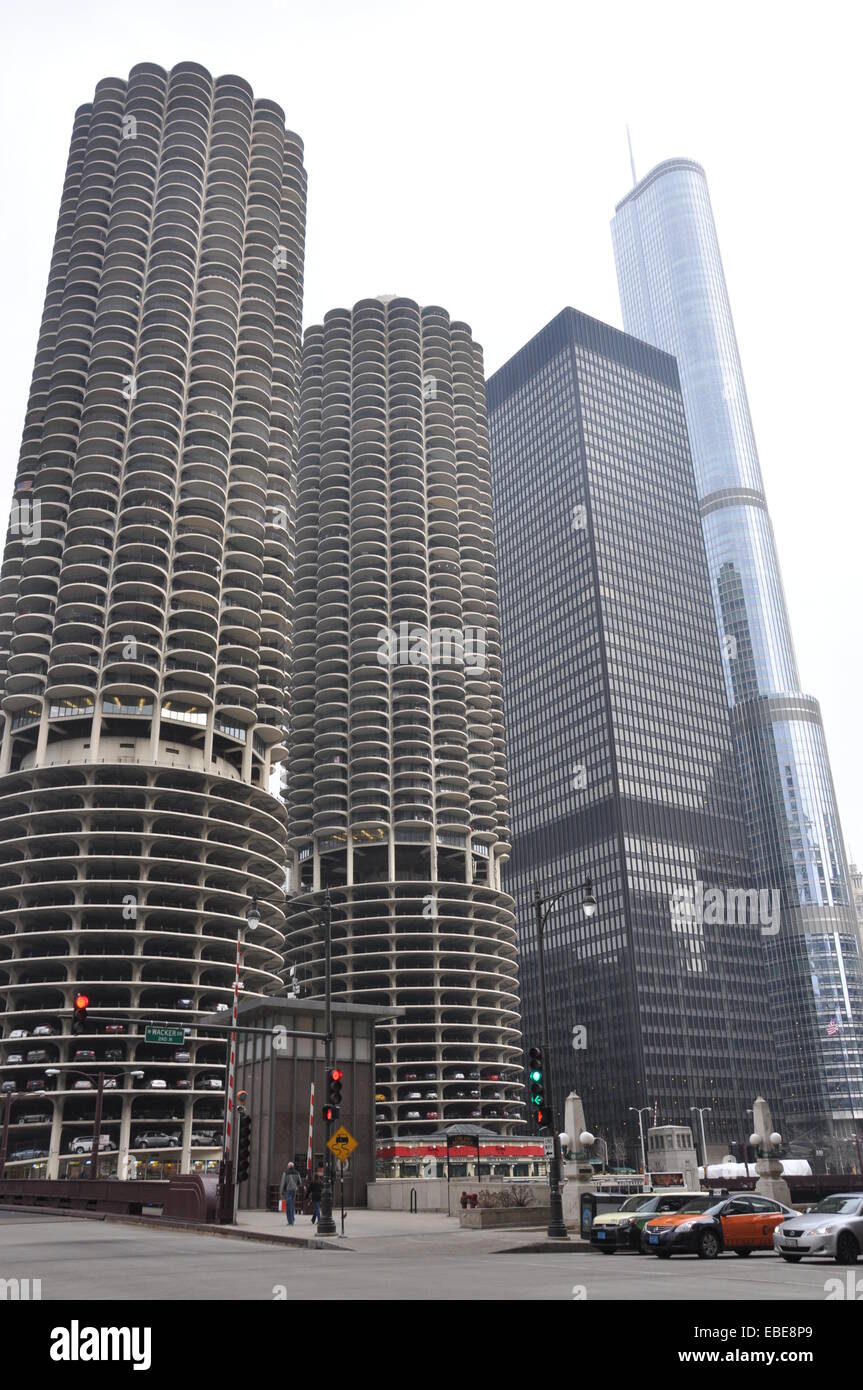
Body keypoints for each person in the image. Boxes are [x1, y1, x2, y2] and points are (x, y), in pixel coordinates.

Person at [279, 1162, 301, 1226]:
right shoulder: (297, 1172)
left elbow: (283, 1182)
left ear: (288, 1166)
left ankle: (290, 1221)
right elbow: (300, 1182)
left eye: (287, 1166)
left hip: (288, 1190)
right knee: (292, 1205)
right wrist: (296, 1186)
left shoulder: (285, 1173)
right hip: (294, 1190)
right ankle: (292, 1218)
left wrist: (281, 1192)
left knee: (289, 1206)